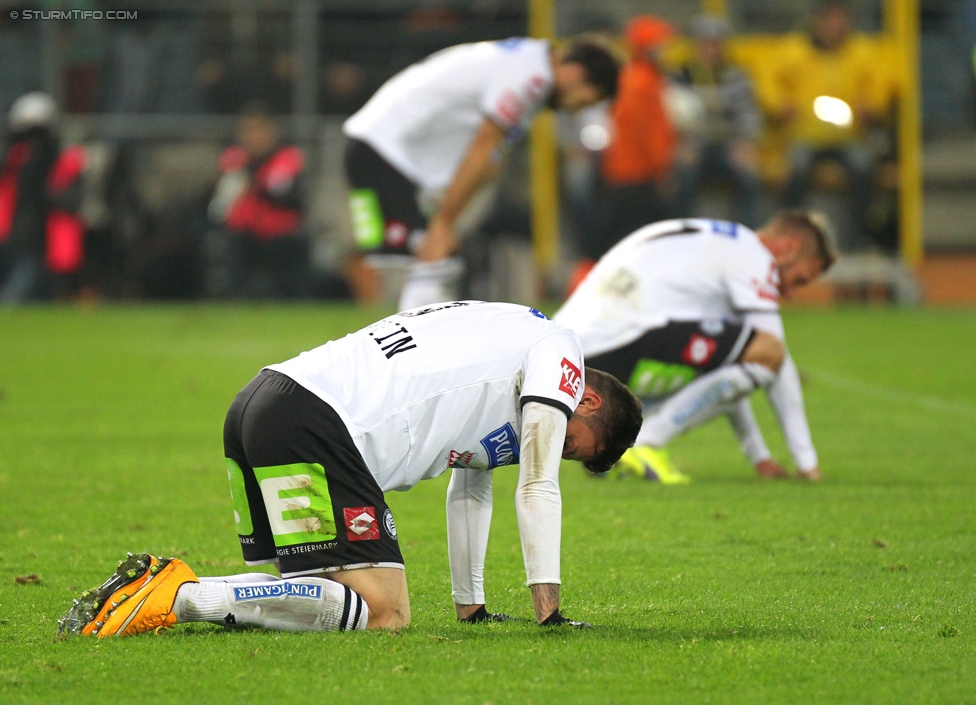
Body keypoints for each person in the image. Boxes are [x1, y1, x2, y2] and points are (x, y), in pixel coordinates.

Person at [59, 301, 643, 637]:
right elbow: (537, 484)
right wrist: (551, 614)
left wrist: (473, 607)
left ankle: (166, 591)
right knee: (386, 613)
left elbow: (473, 483)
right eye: (575, 445)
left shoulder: (511, 338)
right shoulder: (562, 351)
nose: (556, 447)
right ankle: (177, 595)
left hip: (265, 402)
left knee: (323, 595)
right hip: (317, 422)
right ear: (586, 400)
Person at [553, 212, 836, 484]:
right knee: (766, 352)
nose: (790, 293)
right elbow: (775, 354)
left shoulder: (712, 240)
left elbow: (728, 369)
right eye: (798, 280)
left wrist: (759, 456)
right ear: (788, 247)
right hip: (618, 338)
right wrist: (807, 463)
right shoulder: (753, 256)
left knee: (731, 356)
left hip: (565, 355)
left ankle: (614, 446)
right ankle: (645, 444)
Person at [341, 37, 620, 308]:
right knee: (431, 255)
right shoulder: (532, 77)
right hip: (385, 151)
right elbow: (483, 148)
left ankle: (413, 337)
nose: (574, 110)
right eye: (584, 101)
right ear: (575, 73)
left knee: (429, 256)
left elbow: (491, 159)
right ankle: (410, 343)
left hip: (386, 151)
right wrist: (444, 221)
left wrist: (446, 217)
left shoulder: (528, 61)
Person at [766, 1, 888, 250]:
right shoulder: (794, 50)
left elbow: (880, 84)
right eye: (829, 19)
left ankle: (858, 238)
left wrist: (872, 105)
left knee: (864, 167)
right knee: (795, 170)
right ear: (817, 22)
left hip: (848, 137)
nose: (834, 26)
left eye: (839, 19)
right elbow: (769, 81)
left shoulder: (861, 51)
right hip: (806, 135)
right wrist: (781, 104)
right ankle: (793, 238)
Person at [594, 15, 677, 262]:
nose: (666, 49)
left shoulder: (636, 77)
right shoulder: (642, 82)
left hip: (628, 172)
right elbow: (647, 134)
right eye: (660, 43)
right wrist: (661, 169)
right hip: (636, 174)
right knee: (638, 245)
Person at [672, 14, 764, 230]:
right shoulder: (680, 77)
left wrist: (746, 142)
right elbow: (673, 115)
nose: (710, 50)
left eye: (715, 44)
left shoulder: (736, 76)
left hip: (728, 144)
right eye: (705, 44)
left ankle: (751, 235)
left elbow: (749, 113)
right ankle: (679, 233)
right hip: (694, 145)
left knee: (749, 177)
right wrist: (680, 143)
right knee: (680, 178)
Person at [207, 105, 308, 299]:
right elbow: (220, 202)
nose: (255, 137)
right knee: (227, 245)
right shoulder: (234, 160)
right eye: (250, 131)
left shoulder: (286, 158)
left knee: (291, 249)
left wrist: (254, 176)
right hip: (243, 233)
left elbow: (284, 195)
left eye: (261, 130)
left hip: (280, 233)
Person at [0, 92, 87, 303]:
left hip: (43, 246)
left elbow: (72, 202)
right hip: (11, 241)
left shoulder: (65, 161)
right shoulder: (12, 162)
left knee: (14, 300)